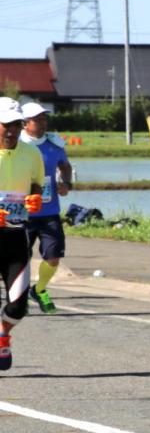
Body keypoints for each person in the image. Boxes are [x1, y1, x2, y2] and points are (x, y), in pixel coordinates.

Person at [0, 99, 43, 371]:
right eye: (7, 124)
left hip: (15, 238)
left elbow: (37, 184)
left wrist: (36, 197)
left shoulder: (31, 153)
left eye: (17, 124)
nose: (12, 130)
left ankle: (2, 333)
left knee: (18, 305)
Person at [19, 102, 72, 314]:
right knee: (20, 259)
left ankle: (39, 290)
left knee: (53, 257)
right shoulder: (15, 145)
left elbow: (65, 166)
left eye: (44, 119)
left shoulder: (54, 144)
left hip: (49, 211)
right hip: (21, 213)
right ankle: (18, 298)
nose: (42, 123)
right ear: (24, 123)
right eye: (36, 120)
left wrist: (66, 184)